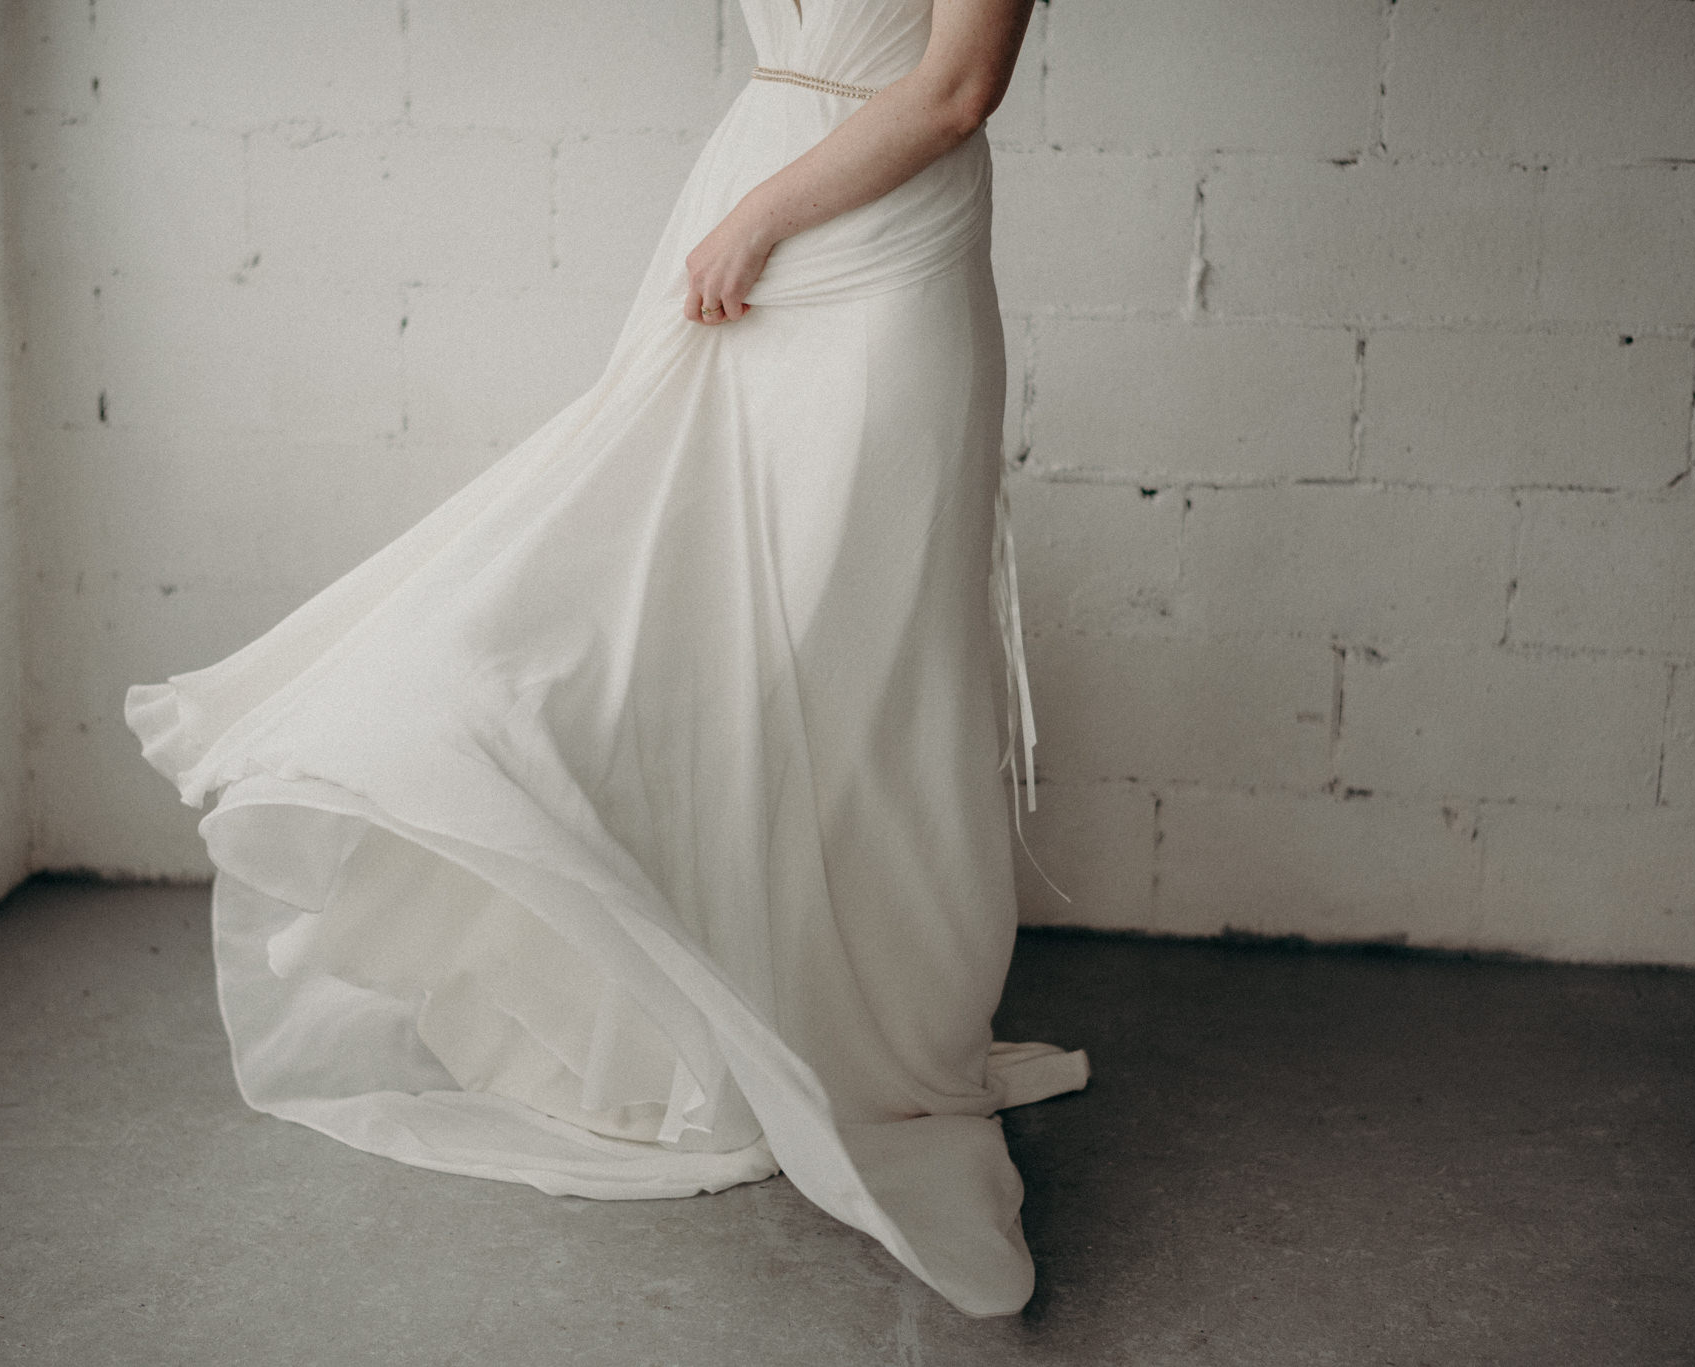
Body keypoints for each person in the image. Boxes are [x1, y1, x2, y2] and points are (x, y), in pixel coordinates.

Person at [123, 0, 1086, 1318]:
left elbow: (958, 87)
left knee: (857, 661)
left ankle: (862, 1032)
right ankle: (691, 1016)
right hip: (742, 204)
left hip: (867, 246)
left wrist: (759, 217)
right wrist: (743, 212)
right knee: (662, 608)